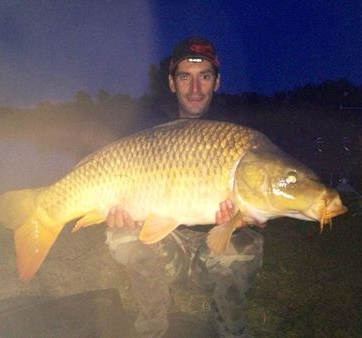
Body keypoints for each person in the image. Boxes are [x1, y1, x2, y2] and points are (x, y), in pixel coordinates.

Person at [105, 36, 264, 338]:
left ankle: (230, 329)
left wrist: (246, 219)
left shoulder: (236, 132)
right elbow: (117, 185)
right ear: (171, 82)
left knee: (242, 246)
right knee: (122, 235)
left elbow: (261, 202)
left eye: (204, 76)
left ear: (217, 82)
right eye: (185, 77)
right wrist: (122, 215)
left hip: (212, 253)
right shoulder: (147, 129)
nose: (194, 88)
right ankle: (151, 326)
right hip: (168, 247)